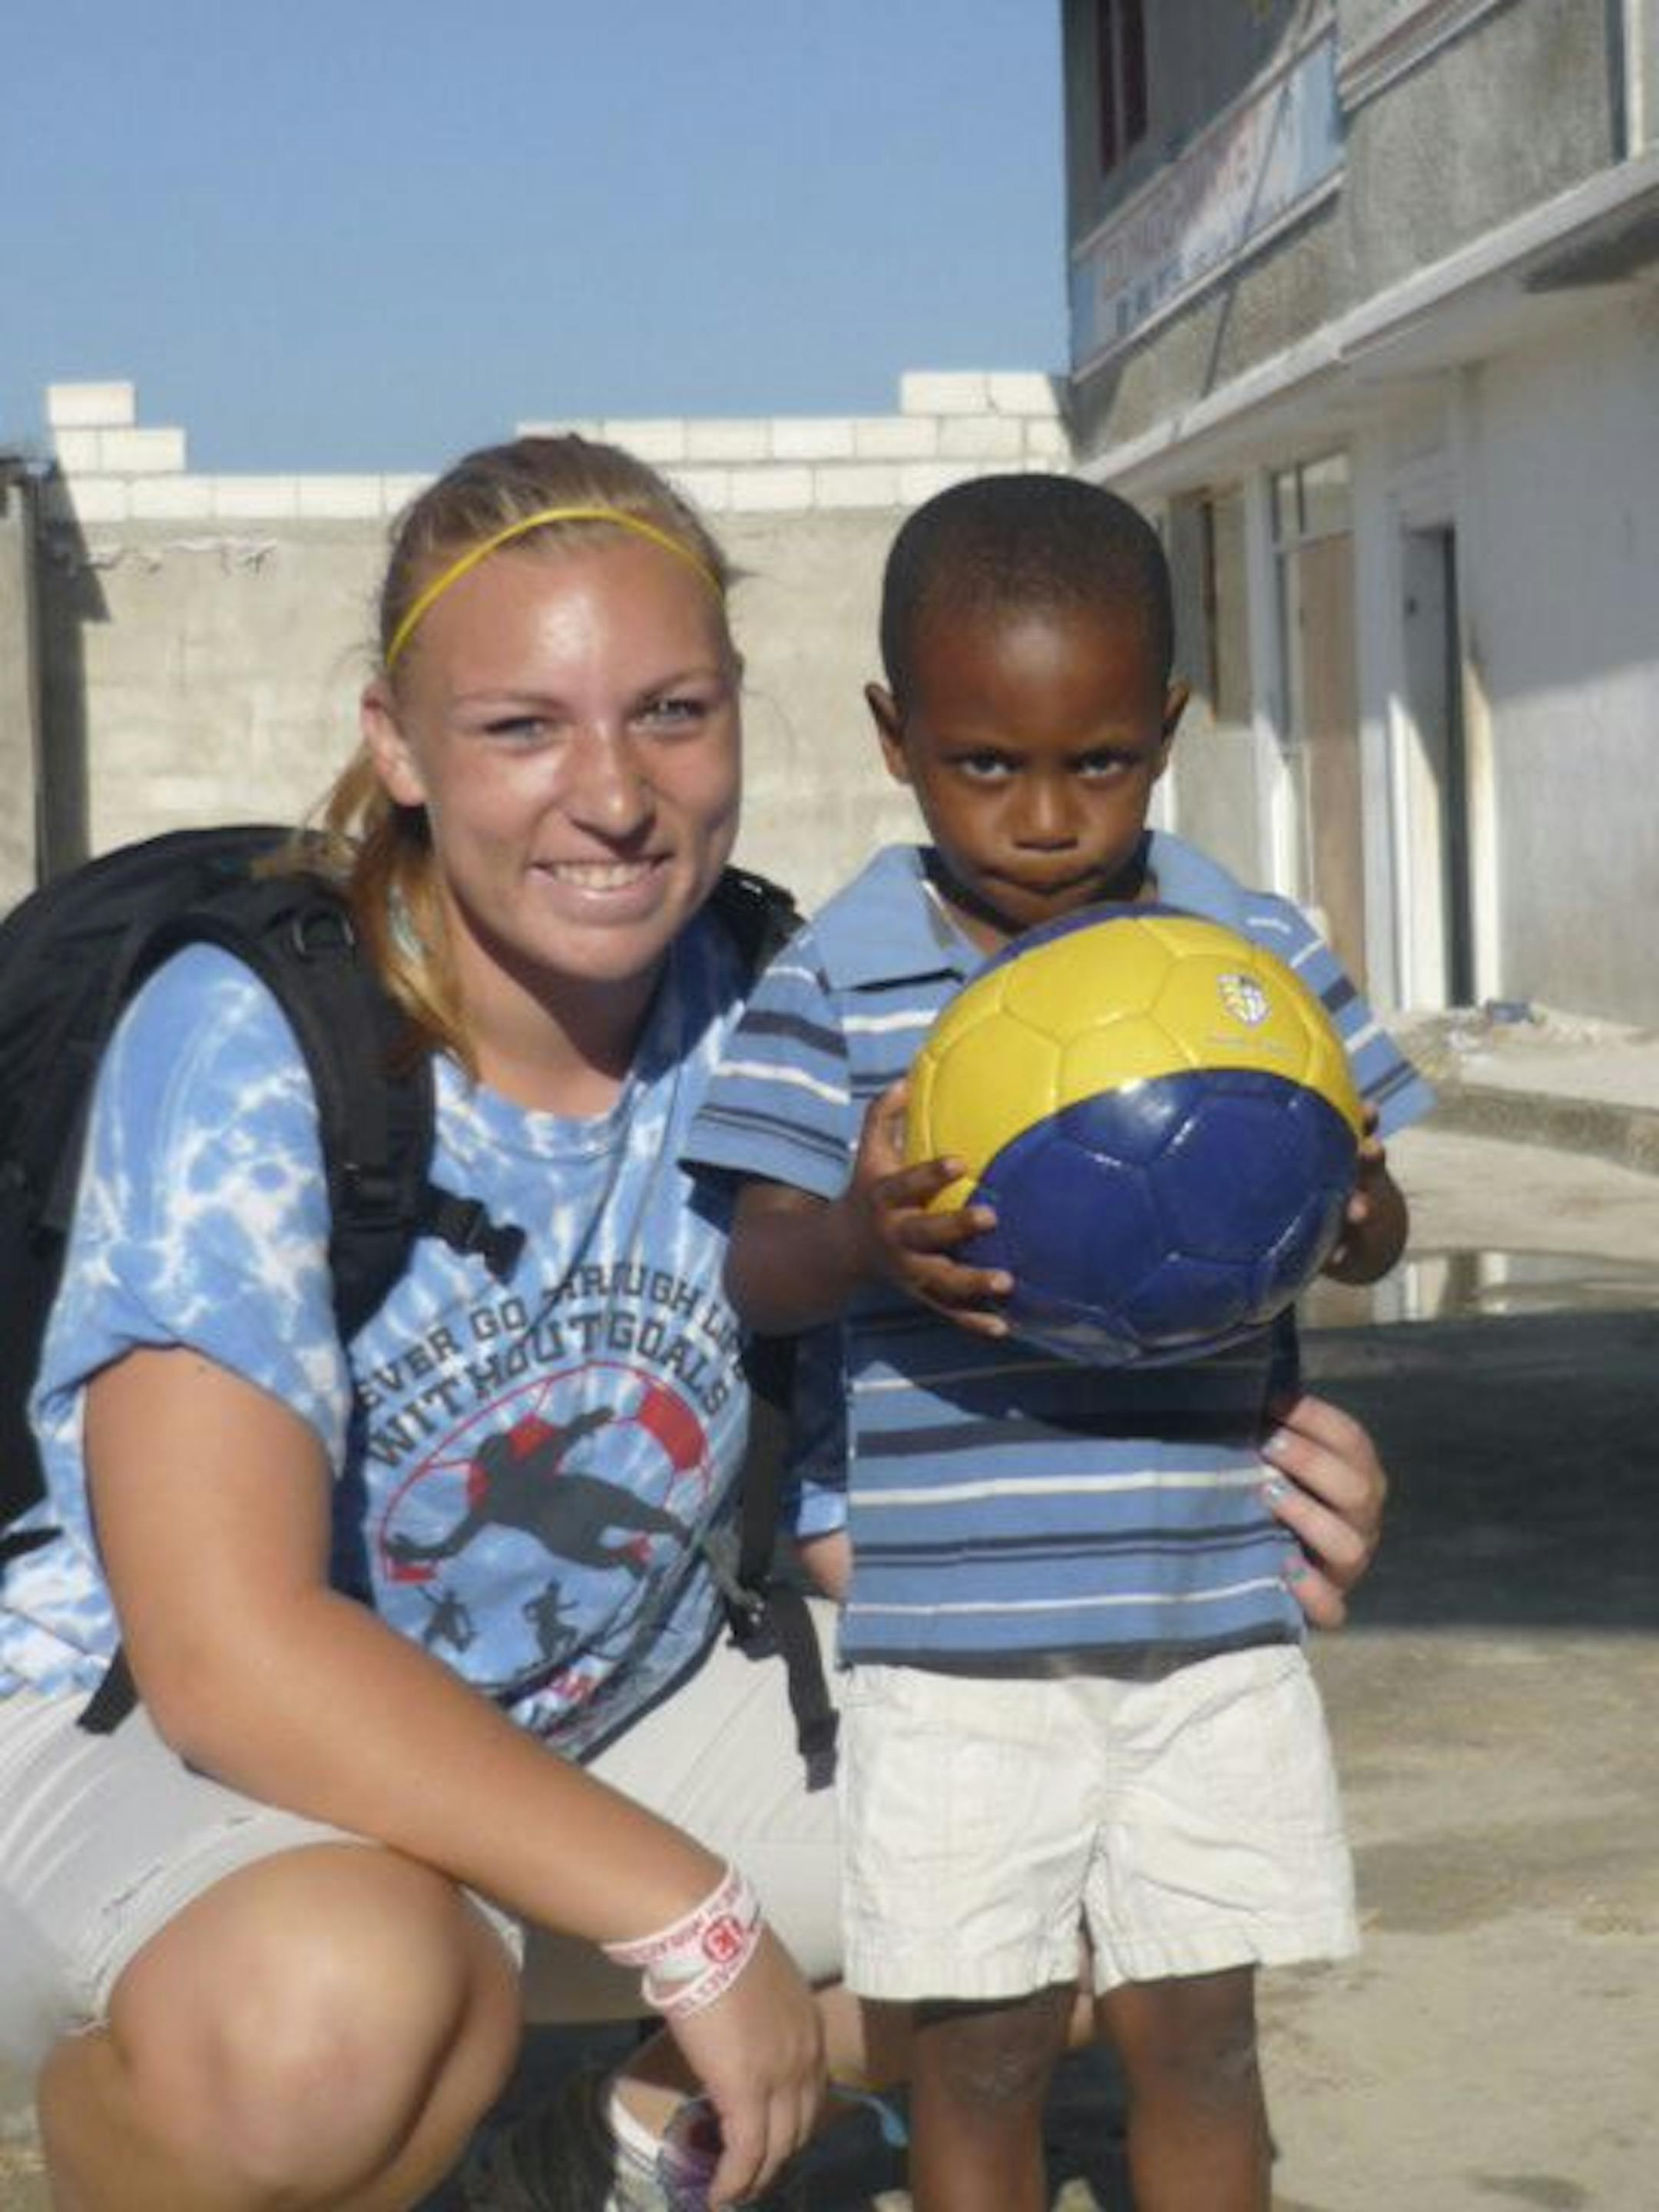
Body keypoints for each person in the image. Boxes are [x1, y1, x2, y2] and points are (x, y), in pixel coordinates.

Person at [0, 436, 1395, 2212]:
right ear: (399, 746)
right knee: (336, 2011)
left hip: (607, 1710)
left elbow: (943, 1389)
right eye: (523, 728)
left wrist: (1210, 1506)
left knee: (1117, 1855)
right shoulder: (254, 1039)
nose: (614, 793)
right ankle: (181, 2135)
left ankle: (608, 2138)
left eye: (672, 712)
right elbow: (226, 1652)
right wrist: (698, 1915)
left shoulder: (776, 1007)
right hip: (177, 1753)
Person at [684, 473, 1435, 2212]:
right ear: (894, 737)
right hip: (954, 1655)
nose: (1041, 818)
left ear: (1166, 730)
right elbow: (759, 1270)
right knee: (984, 2053)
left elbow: (1382, 1219)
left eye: (1098, 762)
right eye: (983, 764)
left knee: (1202, 2043)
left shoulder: (1249, 960)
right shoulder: (837, 981)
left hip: (1209, 1625)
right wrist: (867, 1236)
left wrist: (1347, 1204)